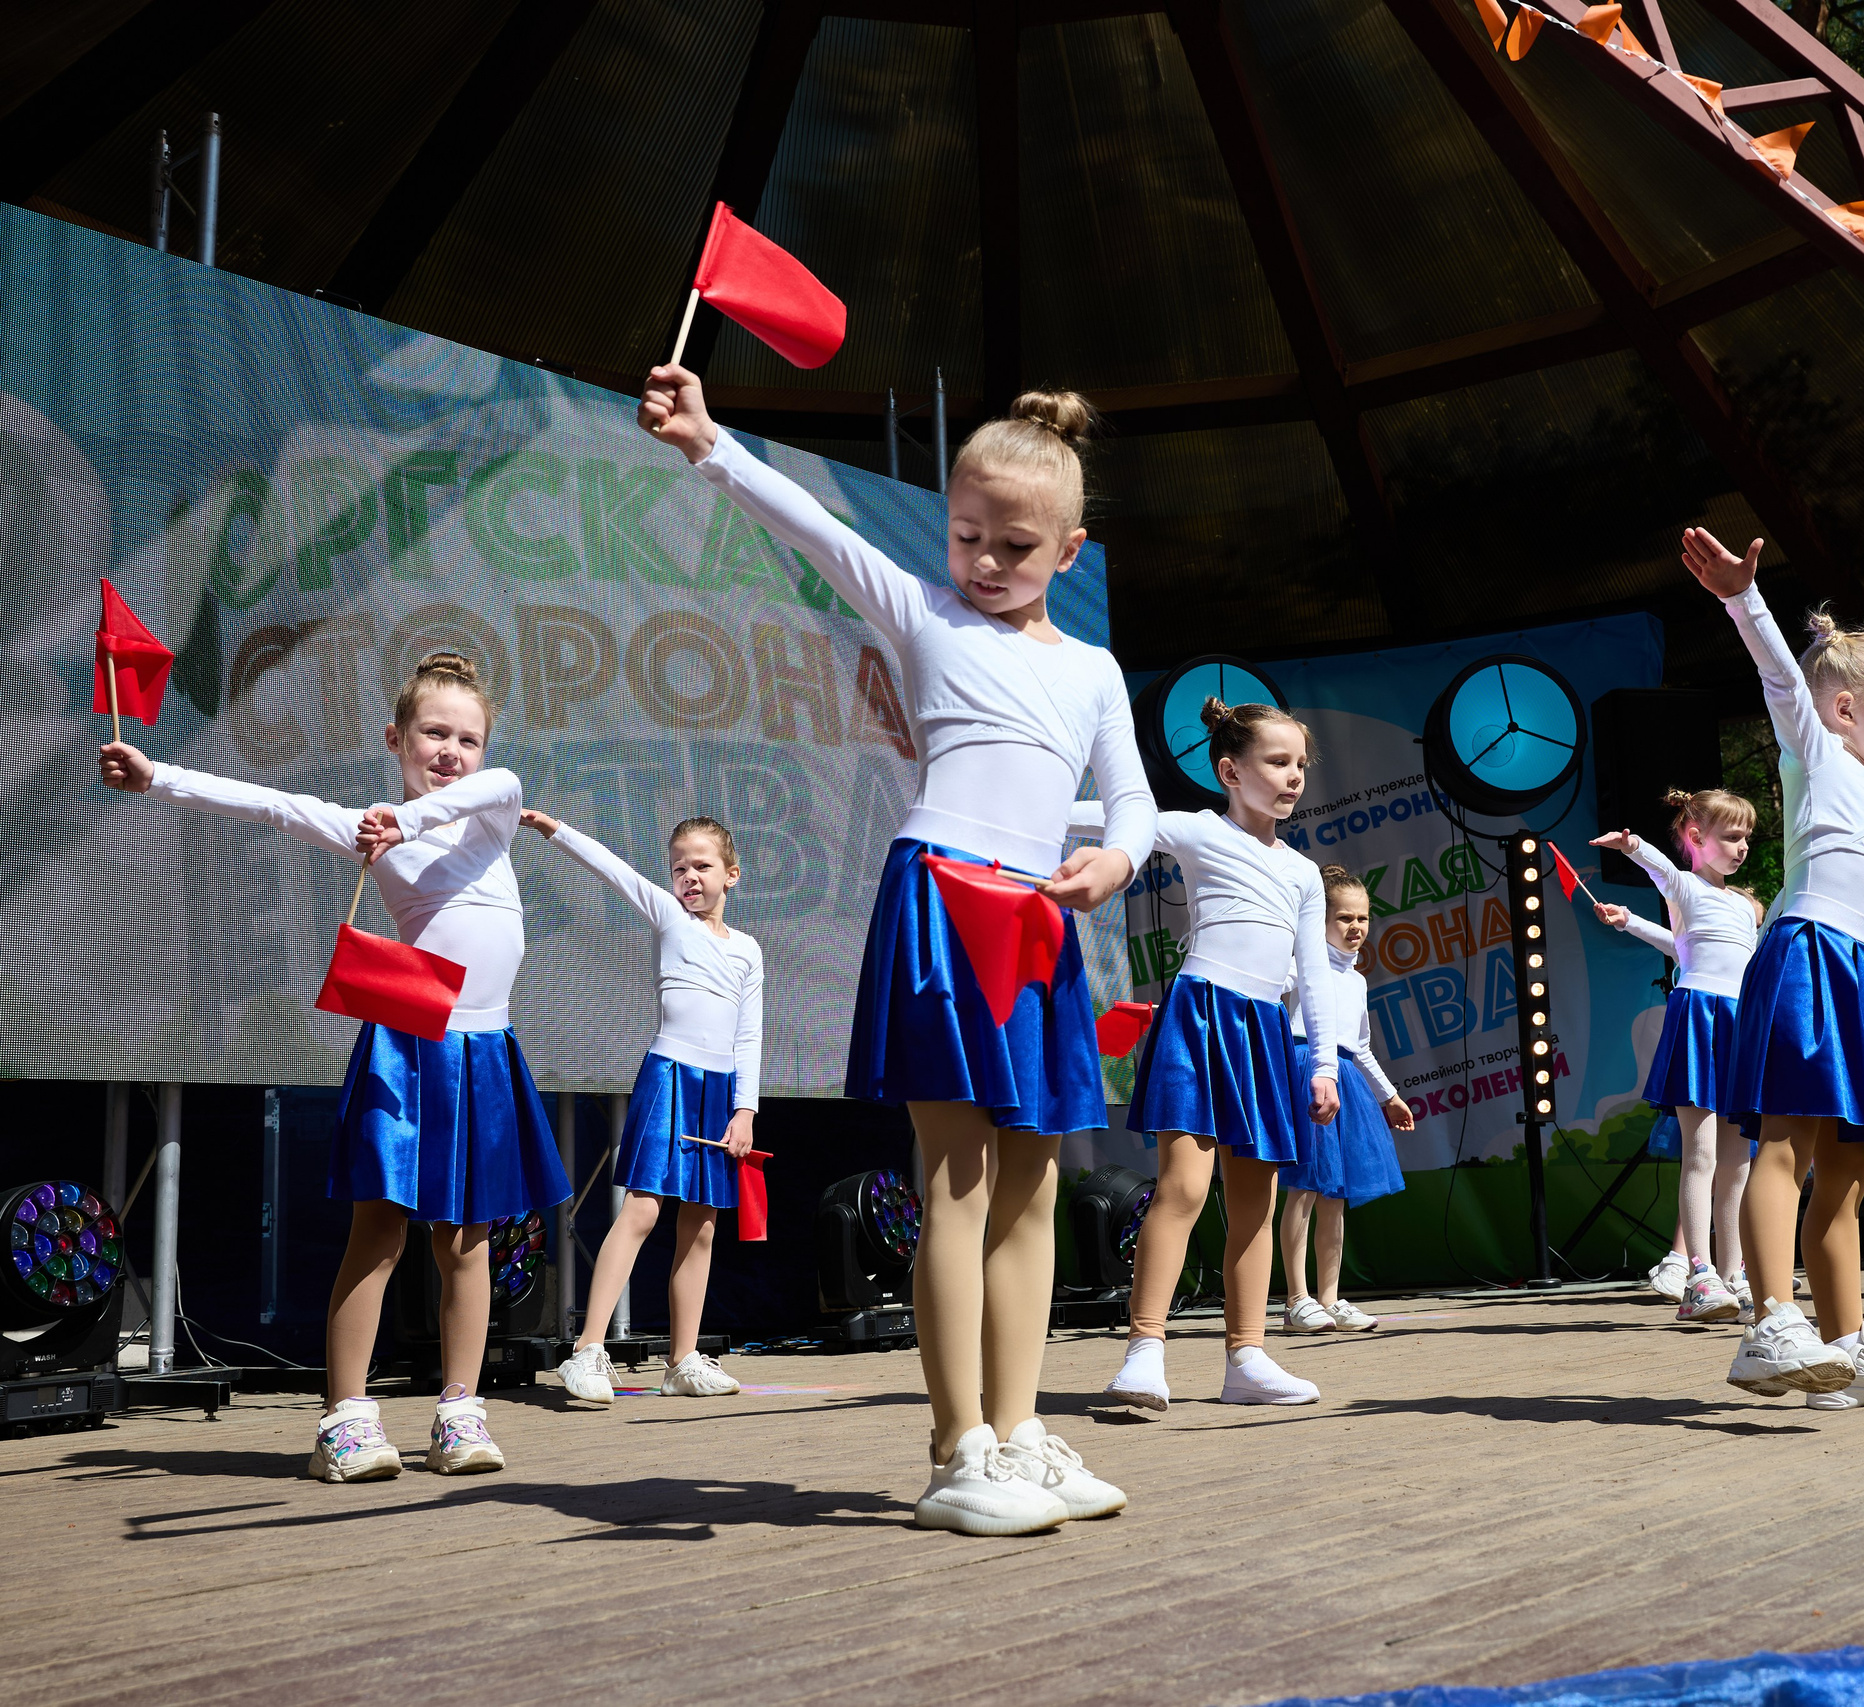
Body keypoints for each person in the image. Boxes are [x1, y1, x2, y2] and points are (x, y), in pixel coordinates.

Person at [645, 365, 1149, 1535]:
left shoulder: (1091, 670)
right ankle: (953, 1446)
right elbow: (814, 528)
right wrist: (707, 443)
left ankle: (1018, 1434)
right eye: (968, 533)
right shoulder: (920, 608)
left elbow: (1128, 800)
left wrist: (1114, 866)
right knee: (956, 1180)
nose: (983, 559)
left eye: (1015, 546)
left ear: (1069, 551)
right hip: (939, 903)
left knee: (1036, 1184)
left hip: (1033, 929)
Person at [98, 653, 571, 1480]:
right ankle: (344, 1421)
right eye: (434, 733)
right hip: (409, 1045)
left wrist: (406, 822)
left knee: (467, 1244)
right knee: (381, 1234)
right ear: (397, 737)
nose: (452, 750)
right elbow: (272, 805)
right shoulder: (368, 824)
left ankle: (459, 1414)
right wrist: (155, 776)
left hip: (485, 1055)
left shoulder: (493, 807)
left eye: (468, 736)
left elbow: (494, 785)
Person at [1681, 525, 1864, 1409]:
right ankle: (1769, 1321)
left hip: (1859, 981)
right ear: (1845, 710)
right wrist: (1741, 597)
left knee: (1847, 1169)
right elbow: (1779, 674)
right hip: (1807, 956)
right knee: (1788, 1147)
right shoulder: (1817, 749)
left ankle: (1845, 1347)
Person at [1107, 699, 1339, 1413]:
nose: (1293, 776)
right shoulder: (1197, 830)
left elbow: (1314, 970)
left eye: (1300, 763)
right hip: (1201, 1015)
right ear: (1229, 770)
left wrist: (1325, 1061)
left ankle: (1248, 1357)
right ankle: (1144, 1349)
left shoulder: (1303, 873)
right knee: (1183, 1187)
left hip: (1266, 1031)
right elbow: (1107, 822)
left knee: (1256, 1204)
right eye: (1277, 762)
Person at [526, 812, 762, 1403]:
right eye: (679, 866)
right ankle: (586, 1350)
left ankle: (682, 1361)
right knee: (643, 1210)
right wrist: (559, 830)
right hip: (670, 1077)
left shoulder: (748, 952)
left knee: (702, 1224)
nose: (689, 877)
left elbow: (749, 1037)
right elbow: (613, 870)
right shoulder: (669, 918)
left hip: (720, 1091)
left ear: (731, 875)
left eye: (703, 866)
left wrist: (745, 1111)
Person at [1591, 787, 1763, 1322]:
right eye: (1731, 836)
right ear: (1696, 837)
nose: (1741, 848)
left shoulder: (1741, 905)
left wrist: (1633, 925)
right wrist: (1633, 845)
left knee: (1739, 1163)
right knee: (1703, 1156)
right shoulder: (1684, 885)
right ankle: (1700, 1273)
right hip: (1700, 1018)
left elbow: (1684, 946)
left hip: (1740, 1024)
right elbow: (1663, 872)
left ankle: (1736, 1273)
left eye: (1747, 838)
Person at [1278, 865, 1415, 1334]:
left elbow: (1360, 1048)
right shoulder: (1295, 967)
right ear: (1320, 921)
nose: (1356, 927)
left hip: (1344, 1077)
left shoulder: (1357, 981)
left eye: (1363, 919)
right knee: (1304, 1189)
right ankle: (1297, 1299)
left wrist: (1390, 1097)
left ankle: (1330, 1298)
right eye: (1344, 918)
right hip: (1304, 1074)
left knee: (1333, 1196)